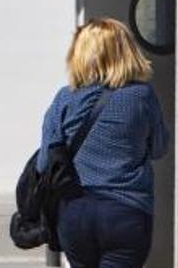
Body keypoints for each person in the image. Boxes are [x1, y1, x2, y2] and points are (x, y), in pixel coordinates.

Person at [37, 18, 169, 268]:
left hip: (74, 213)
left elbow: (45, 163)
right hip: (126, 211)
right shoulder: (142, 96)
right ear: (126, 51)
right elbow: (159, 148)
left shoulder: (65, 98)